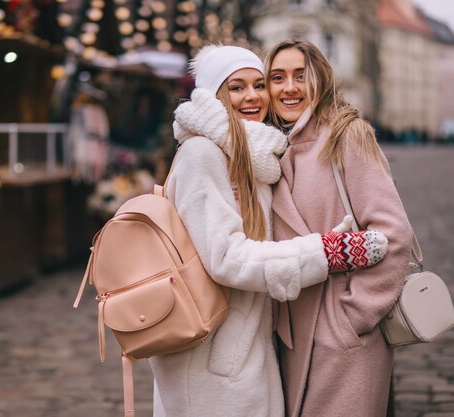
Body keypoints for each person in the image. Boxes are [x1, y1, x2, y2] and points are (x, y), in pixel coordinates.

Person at [149, 44, 389, 417]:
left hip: (243, 351)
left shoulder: (251, 156)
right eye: (236, 87)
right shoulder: (203, 154)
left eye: (259, 84)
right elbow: (227, 258)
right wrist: (324, 252)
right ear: (214, 94)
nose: (252, 96)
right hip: (211, 359)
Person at [265, 39, 414, 417]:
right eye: (277, 77)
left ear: (321, 78)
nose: (289, 88)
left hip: (345, 335)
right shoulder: (270, 152)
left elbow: (393, 233)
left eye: (301, 76)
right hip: (291, 339)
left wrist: (353, 317)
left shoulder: (347, 136)